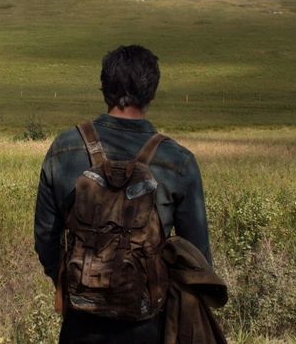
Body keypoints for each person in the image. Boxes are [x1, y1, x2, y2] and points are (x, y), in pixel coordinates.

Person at [35, 45, 212, 343]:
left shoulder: (63, 148)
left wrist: (80, 286)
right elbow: (198, 259)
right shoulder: (178, 160)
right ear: (152, 92)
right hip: (149, 325)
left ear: (104, 88)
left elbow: (45, 239)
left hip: (80, 325)